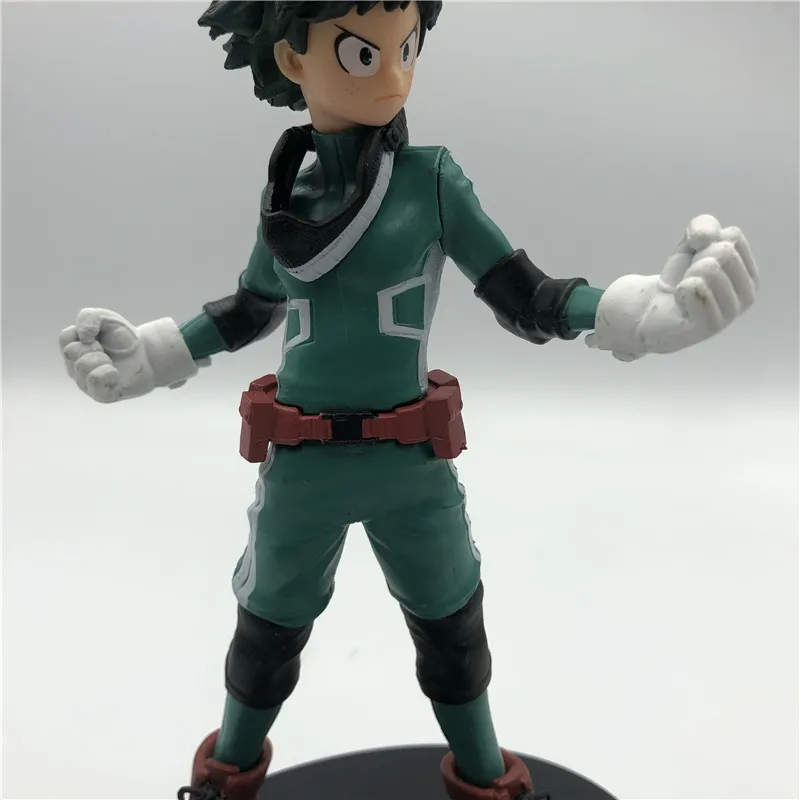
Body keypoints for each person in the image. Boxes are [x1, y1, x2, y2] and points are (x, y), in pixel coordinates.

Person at [58, 2, 760, 799]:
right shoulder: (289, 198)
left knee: (454, 632)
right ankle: (224, 781)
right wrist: (154, 353)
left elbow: (523, 292)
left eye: (408, 47)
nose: (394, 75)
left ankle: (489, 781)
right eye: (363, 54)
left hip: (410, 463)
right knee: (265, 636)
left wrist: (631, 314)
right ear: (293, 60)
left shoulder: (429, 181)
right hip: (304, 466)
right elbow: (251, 306)